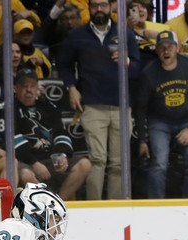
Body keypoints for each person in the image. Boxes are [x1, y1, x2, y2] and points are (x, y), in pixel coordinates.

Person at [58, 0, 141, 200]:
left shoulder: (125, 33)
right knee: (97, 159)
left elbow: (138, 68)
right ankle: (94, 207)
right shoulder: (77, 35)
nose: (99, 10)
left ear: (111, 6)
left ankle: (116, 208)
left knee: (119, 163)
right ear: (88, 7)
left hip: (121, 105)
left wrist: (127, 62)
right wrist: (71, 88)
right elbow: (64, 65)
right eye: (95, 5)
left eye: (103, 5)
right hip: (92, 104)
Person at [135, 30, 188, 199]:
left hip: (186, 120)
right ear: (157, 51)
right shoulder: (149, 73)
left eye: (170, 46)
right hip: (159, 122)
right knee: (159, 163)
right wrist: (142, 140)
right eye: (161, 48)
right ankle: (156, 206)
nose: (165, 51)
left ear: (178, 48)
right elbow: (140, 108)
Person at [13, 68, 91, 200]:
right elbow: (14, 141)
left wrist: (61, 155)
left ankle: (58, 204)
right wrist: (34, 163)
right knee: (26, 175)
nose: (28, 90)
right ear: (16, 88)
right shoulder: (11, 109)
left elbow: (61, 134)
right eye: (24, 86)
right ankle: (47, 206)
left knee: (85, 165)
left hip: (50, 159)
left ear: (37, 87)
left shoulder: (48, 107)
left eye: (32, 86)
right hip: (27, 162)